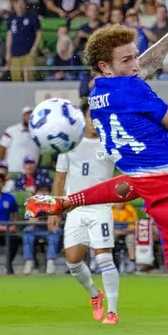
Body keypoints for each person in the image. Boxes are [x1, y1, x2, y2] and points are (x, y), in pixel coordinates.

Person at [25, 1, 168, 335]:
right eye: (126, 59)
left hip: (160, 205)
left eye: (134, 56)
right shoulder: (133, 89)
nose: (135, 64)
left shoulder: (98, 102)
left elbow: (126, 184)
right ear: (106, 66)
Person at [47, 100, 120, 323]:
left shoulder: (111, 144)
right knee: (73, 261)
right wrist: (54, 211)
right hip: (74, 208)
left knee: (104, 258)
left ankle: (112, 311)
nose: (94, 120)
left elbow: (126, 172)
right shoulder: (69, 144)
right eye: (90, 116)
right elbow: (60, 178)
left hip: (100, 207)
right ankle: (94, 294)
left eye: (98, 116)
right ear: (83, 118)